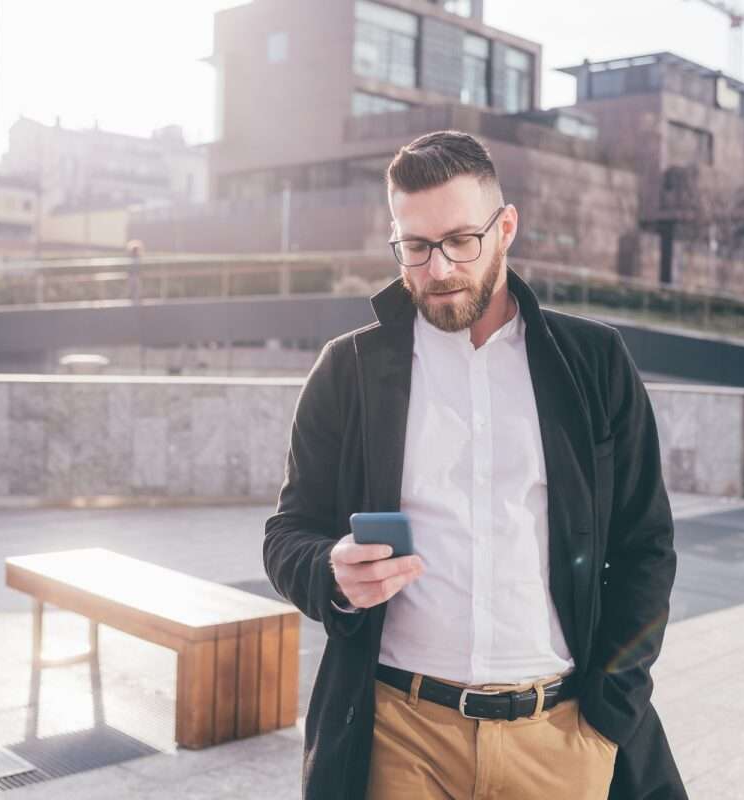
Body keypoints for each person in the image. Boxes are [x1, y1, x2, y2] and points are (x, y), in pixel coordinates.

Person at [264, 130, 684, 799]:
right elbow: (288, 533)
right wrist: (331, 572)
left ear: (506, 226)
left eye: (462, 240)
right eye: (416, 246)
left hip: (562, 734)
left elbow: (647, 547)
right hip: (398, 735)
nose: (438, 269)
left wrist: (612, 708)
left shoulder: (594, 363)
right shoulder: (347, 371)